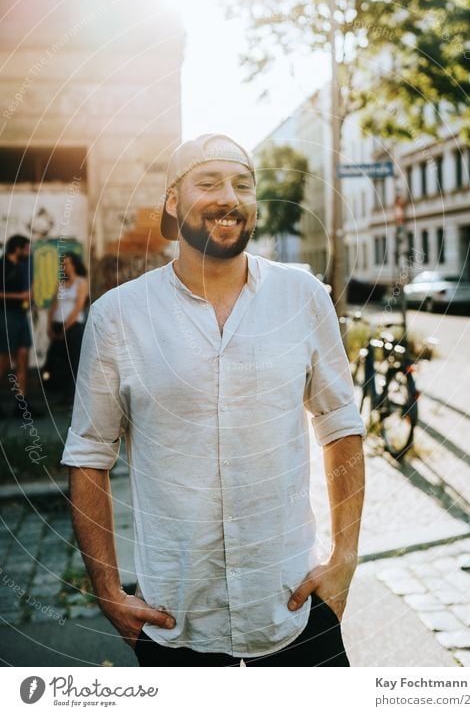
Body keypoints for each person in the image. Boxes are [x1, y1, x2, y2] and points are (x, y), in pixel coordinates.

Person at [62, 133, 365, 667]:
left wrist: (344, 557)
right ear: (173, 202)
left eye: (243, 184)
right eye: (209, 182)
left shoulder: (303, 298)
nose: (229, 197)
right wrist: (107, 589)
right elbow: (90, 454)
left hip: (292, 602)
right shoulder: (118, 317)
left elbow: (340, 426)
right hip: (175, 618)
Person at [44, 252, 89, 405]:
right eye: (62, 264)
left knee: (73, 362)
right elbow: (53, 305)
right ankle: (60, 392)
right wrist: (50, 326)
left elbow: (78, 307)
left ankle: (73, 397)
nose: (65, 267)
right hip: (58, 325)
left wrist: (65, 328)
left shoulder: (81, 283)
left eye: (67, 264)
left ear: (74, 265)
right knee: (56, 360)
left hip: (73, 327)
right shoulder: (61, 284)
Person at [0, 235, 34, 415]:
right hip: (5, 316)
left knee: (23, 356)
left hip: (20, 315)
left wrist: (28, 300)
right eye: (26, 248)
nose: (29, 252)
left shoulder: (22, 267)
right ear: (17, 248)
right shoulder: (2, 265)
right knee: (4, 361)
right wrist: (20, 296)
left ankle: (21, 404)